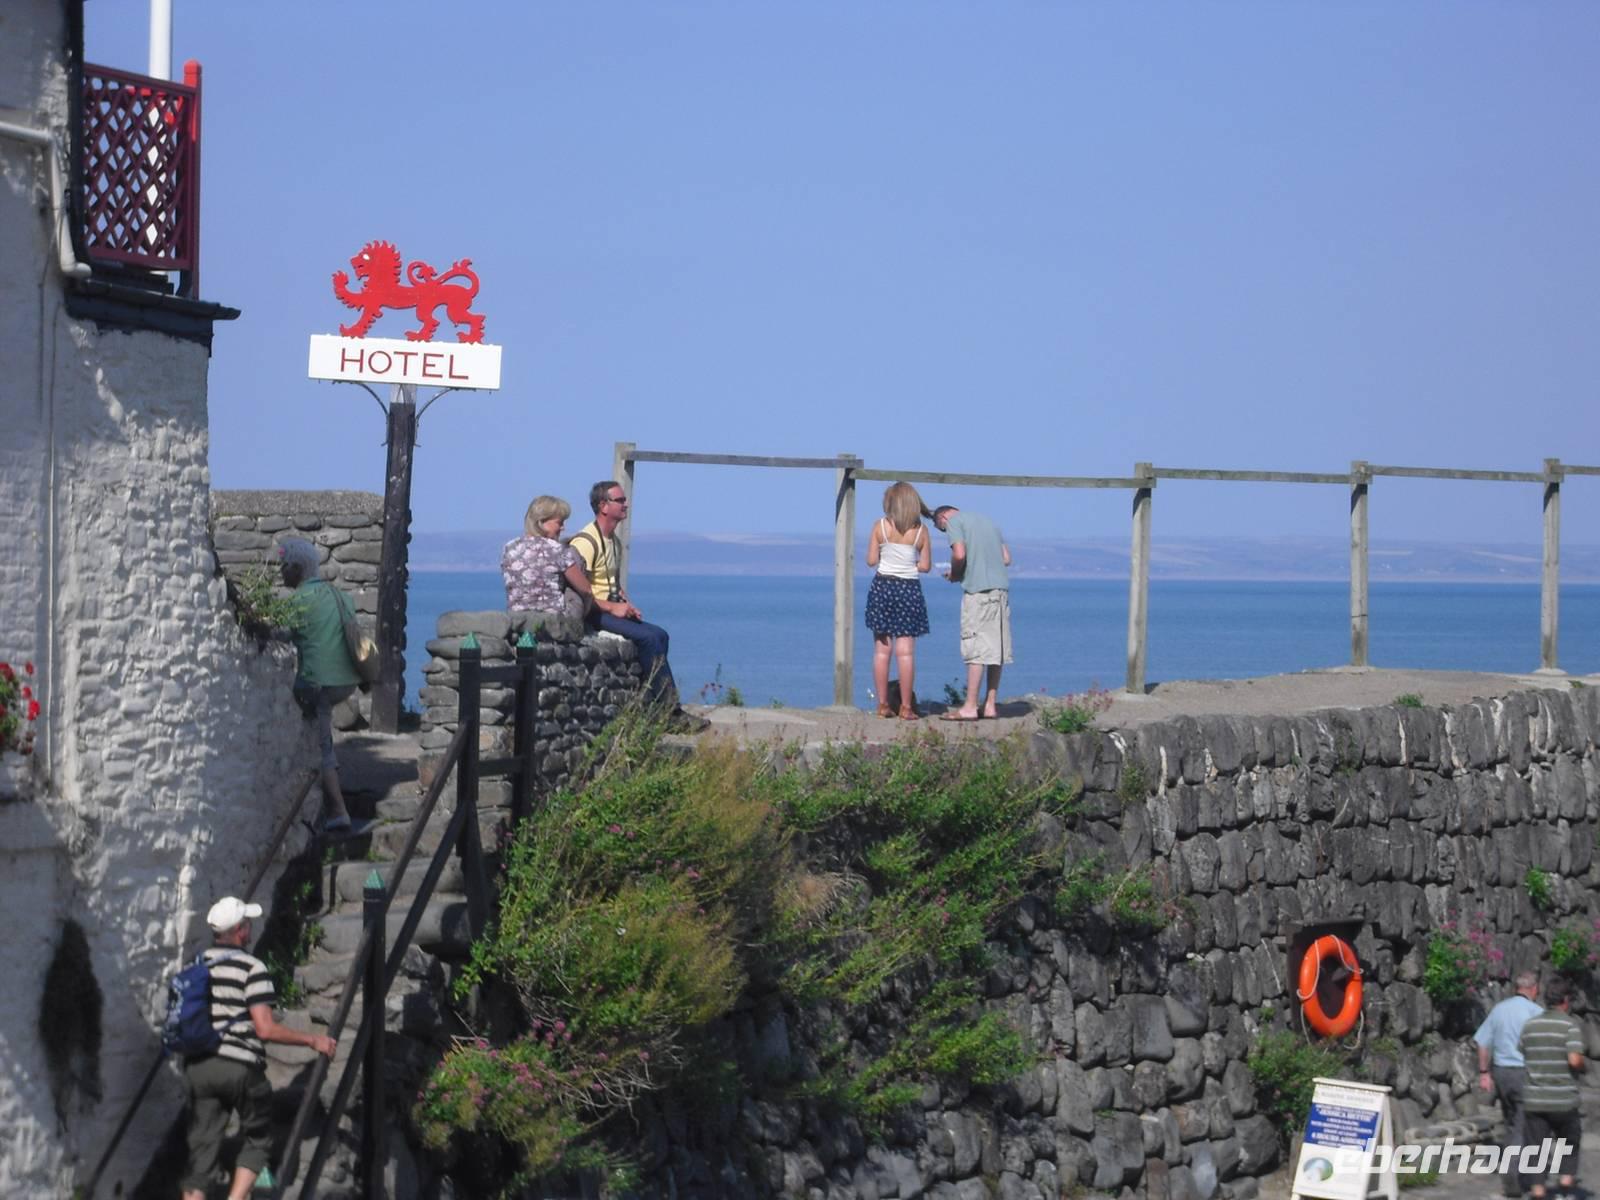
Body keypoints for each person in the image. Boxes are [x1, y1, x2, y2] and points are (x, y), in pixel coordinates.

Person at [180, 896, 336, 1200]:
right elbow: (265, 1029)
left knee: (202, 1152)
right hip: (238, 1065)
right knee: (258, 1139)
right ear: (240, 930)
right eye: (247, 924)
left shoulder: (197, 965)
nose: (250, 928)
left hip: (199, 1065)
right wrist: (312, 1040)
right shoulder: (252, 968)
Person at [570, 481, 707, 732]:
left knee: (661, 635)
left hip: (607, 607)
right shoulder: (585, 542)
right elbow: (579, 590)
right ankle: (670, 713)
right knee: (648, 638)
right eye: (620, 500)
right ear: (603, 506)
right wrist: (612, 608)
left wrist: (625, 603)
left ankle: (652, 707)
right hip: (592, 612)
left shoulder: (614, 542)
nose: (626, 504)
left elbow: (608, 582)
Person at [276, 538, 365, 834]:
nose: (281, 572)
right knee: (320, 732)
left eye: (284, 566)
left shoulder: (297, 602)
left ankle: (338, 811)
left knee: (322, 743)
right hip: (346, 681)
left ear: (296, 569)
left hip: (317, 683)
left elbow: (280, 634)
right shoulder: (341, 596)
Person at [929, 504, 1012, 721]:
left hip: (978, 593)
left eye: (942, 529)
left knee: (975, 648)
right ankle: (990, 705)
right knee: (995, 650)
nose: (945, 532)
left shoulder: (955, 523)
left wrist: (956, 574)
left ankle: (970, 706)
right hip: (1000, 591)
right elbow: (1006, 558)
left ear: (943, 518)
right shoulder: (989, 523)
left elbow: (959, 554)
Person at [865, 482, 931, 720]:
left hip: (883, 587)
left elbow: (871, 560)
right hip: (909, 589)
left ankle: (883, 704)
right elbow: (925, 566)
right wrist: (910, 564)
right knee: (905, 652)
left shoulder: (880, 527)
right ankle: (906, 706)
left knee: (882, 650)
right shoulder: (921, 531)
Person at [1517, 974, 1585, 1200]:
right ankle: (1565, 1183)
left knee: (1536, 1147)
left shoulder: (1530, 1025)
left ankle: (1538, 1191)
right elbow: (1574, 1059)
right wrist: (1582, 1065)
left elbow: (1522, 1051)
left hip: (1535, 1099)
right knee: (1569, 1142)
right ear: (1565, 1000)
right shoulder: (1569, 1025)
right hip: (1563, 1099)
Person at [1476, 971, 1542, 1196]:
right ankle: (1513, 1174)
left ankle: (1515, 1166)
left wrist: (1484, 1072)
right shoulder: (1536, 1012)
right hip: (1525, 1073)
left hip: (1501, 1073)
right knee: (1524, 1124)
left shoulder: (1499, 1009)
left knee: (1511, 1122)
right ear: (1534, 989)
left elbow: (1482, 1042)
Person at [502, 494, 595, 618]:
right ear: (541, 522)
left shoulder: (509, 547)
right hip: (553, 621)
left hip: (518, 618)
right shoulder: (557, 549)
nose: (563, 528)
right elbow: (586, 589)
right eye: (559, 523)